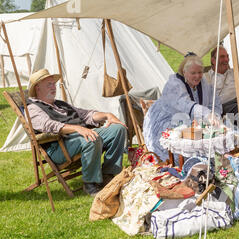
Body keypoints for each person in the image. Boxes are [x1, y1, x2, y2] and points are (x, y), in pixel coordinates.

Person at [27, 68, 127, 196]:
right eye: (49, 84)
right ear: (37, 88)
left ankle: (109, 174)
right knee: (91, 137)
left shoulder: (60, 104)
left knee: (118, 129)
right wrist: (77, 128)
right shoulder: (33, 108)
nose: (54, 87)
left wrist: (107, 115)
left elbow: (85, 115)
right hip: (59, 146)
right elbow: (47, 125)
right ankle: (90, 184)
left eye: (54, 84)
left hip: (78, 138)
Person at [143, 53, 222, 163]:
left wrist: (214, 115)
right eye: (193, 73)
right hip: (166, 119)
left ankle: (206, 167)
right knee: (179, 139)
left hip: (189, 120)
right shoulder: (174, 84)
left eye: (200, 72)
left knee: (212, 134)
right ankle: (183, 166)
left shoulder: (203, 82)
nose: (197, 76)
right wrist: (206, 114)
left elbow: (214, 101)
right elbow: (184, 104)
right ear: (184, 72)